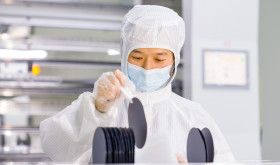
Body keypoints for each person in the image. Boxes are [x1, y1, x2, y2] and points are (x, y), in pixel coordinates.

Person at [40, 5, 235, 163]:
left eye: (159, 59)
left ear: (174, 61)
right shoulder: (100, 110)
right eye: (137, 57)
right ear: (125, 55)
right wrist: (97, 109)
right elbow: (55, 146)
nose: (148, 67)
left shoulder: (192, 116)